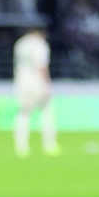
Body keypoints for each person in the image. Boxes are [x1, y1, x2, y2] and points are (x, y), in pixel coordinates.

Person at [12, 25, 59, 157]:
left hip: (22, 83)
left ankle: (21, 147)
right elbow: (41, 66)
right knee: (47, 113)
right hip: (37, 83)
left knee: (23, 114)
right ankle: (49, 145)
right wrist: (47, 83)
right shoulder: (40, 44)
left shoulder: (20, 43)